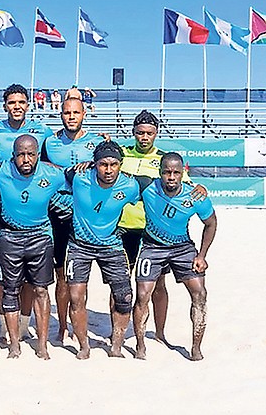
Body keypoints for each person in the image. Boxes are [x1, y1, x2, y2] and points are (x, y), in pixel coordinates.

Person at [119, 110, 206, 343]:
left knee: (158, 285)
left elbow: (185, 187)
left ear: (156, 134)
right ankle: (117, 332)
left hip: (152, 230)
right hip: (123, 226)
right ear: (133, 133)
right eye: (139, 133)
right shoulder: (122, 152)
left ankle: (158, 333)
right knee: (121, 282)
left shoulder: (165, 159)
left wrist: (201, 187)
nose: (144, 137)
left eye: (149, 133)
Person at [133, 152, 217, 361]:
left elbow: (211, 223)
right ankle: (141, 346)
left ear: (183, 173)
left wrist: (202, 255)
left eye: (175, 173)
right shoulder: (146, 187)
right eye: (166, 172)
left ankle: (196, 348)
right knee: (143, 294)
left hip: (182, 248)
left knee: (200, 293)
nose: (171, 177)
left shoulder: (195, 196)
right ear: (159, 172)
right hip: (152, 246)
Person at [0, 84, 54, 341]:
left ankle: (25, 323)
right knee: (4, 273)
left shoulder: (42, 131)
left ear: (28, 104)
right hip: (2, 205)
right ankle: (8, 325)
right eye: (11, 102)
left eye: (21, 102)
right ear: (5, 106)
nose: (16, 106)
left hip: (34, 204)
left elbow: (50, 160)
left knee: (33, 277)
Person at [65, 141, 142, 359]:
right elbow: (52, 172)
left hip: (111, 245)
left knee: (124, 297)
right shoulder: (79, 178)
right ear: (94, 164)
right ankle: (83, 346)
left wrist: (196, 188)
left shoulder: (130, 186)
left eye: (113, 164)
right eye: (103, 164)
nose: (108, 170)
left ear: (120, 165)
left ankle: (116, 346)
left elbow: (160, 188)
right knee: (76, 297)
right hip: (79, 245)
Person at [0, 134, 65, 360]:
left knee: (41, 290)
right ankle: (14, 343)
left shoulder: (53, 174)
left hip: (40, 238)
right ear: (12, 156)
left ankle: (42, 344)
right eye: (20, 154)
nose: (25, 159)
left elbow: (82, 177)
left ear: (38, 156)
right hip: (9, 238)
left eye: (30, 154)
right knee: (10, 291)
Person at [41, 97, 106, 342]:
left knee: (78, 273)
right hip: (56, 212)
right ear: (61, 114)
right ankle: (61, 326)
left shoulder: (98, 142)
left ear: (84, 114)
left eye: (75, 112)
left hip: (84, 213)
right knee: (60, 272)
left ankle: (77, 319)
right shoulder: (50, 142)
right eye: (67, 112)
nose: (71, 117)